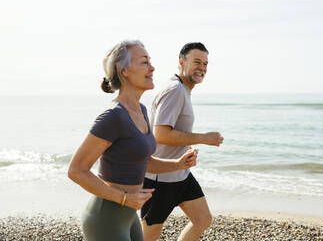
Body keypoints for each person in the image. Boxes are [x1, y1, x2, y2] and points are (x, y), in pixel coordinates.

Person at [68, 40, 198, 241]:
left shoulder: (141, 110)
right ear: (123, 70)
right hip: (106, 219)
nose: (152, 67)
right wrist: (124, 198)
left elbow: (142, 161)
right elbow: (76, 170)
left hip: (129, 217)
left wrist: (177, 164)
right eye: (144, 62)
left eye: (150, 61)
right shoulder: (113, 116)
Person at [141, 42, 224, 241]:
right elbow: (160, 133)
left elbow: (172, 132)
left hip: (180, 175)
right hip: (159, 179)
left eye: (205, 63)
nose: (202, 68)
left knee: (203, 219)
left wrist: (187, 146)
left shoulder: (183, 90)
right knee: (149, 236)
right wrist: (203, 138)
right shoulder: (175, 90)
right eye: (197, 62)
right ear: (181, 62)